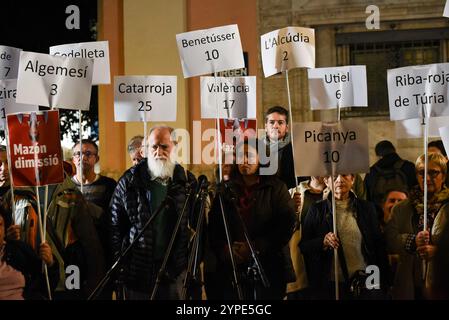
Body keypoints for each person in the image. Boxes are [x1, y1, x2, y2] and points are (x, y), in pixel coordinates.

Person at [110, 126, 196, 300]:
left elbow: (198, 225)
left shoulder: (186, 181)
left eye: (164, 147)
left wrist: (190, 264)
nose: (159, 152)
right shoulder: (129, 181)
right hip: (137, 273)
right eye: (154, 147)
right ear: (146, 150)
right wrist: (121, 264)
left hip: (175, 272)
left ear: (175, 148)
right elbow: (114, 226)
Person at [206, 138, 296, 300]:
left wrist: (255, 247)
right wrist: (225, 250)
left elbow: (285, 226)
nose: (244, 160)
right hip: (232, 270)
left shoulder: (276, 188)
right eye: (240, 156)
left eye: (249, 155)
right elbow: (214, 227)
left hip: (267, 267)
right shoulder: (225, 189)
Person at [300, 173, 388, 299]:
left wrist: (384, 282)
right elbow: (304, 246)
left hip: (366, 281)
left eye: (345, 175)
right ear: (326, 181)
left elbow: (378, 246)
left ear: (352, 179)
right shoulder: (317, 210)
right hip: (332, 285)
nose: (340, 180)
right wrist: (322, 242)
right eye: (334, 176)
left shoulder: (367, 208)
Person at [385, 152, 449, 299]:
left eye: (433, 173)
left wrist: (439, 252)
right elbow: (390, 239)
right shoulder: (401, 208)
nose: (427, 178)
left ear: (444, 176)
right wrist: (412, 241)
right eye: (422, 173)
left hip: (442, 284)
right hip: (410, 284)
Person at [71, 139, 117, 271]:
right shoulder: (65, 186)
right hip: (72, 254)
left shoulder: (109, 185)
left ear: (96, 158)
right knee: (74, 289)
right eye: (77, 154)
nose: (82, 157)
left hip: (100, 251)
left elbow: (112, 219)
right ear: (73, 159)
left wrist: (85, 206)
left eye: (88, 153)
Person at [0, 207, 59, 300]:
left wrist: (50, 263)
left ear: (5, 229)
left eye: (0, 225)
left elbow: (45, 284)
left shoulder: (19, 250)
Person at [287, 176, 326, 299]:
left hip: (327, 267)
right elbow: (279, 231)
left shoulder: (339, 191)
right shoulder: (293, 193)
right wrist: (291, 211)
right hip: (300, 266)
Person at [364, 140, 417, 212]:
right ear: (394, 150)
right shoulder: (409, 167)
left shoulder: (372, 171)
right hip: (405, 213)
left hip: (379, 215)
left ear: (379, 156)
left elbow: (367, 199)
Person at [263, 106, 297, 189]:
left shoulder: (296, 149)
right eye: (271, 122)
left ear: (287, 128)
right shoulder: (257, 148)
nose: (275, 126)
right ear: (266, 127)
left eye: (280, 122)